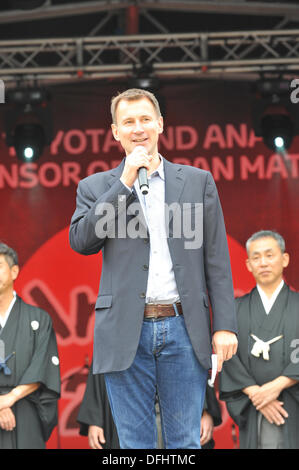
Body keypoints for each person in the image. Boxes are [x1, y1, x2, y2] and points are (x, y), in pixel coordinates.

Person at [69, 87, 238, 449]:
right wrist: (125, 182)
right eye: (128, 122)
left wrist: (224, 325)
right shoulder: (96, 187)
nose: (138, 128)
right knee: (134, 445)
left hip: (183, 326)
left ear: (161, 124)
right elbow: (83, 241)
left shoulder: (196, 182)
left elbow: (216, 260)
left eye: (145, 119)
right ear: (114, 131)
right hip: (125, 330)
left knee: (184, 442)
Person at [220, 230, 299, 449]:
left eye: (269, 255)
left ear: (285, 259)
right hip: (254, 406)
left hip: (292, 403)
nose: (263, 262)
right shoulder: (235, 310)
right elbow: (228, 356)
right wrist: (256, 394)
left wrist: (277, 386)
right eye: (256, 257)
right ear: (248, 264)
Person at [0, 242, 60, 449]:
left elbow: (44, 365)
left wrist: (11, 398)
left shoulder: (38, 318)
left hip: (26, 406)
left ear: (14, 271)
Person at [77, 364, 221, 449]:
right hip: (127, 403)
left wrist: (204, 409)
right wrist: (95, 418)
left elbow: (193, 356)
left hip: (175, 406)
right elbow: (103, 352)